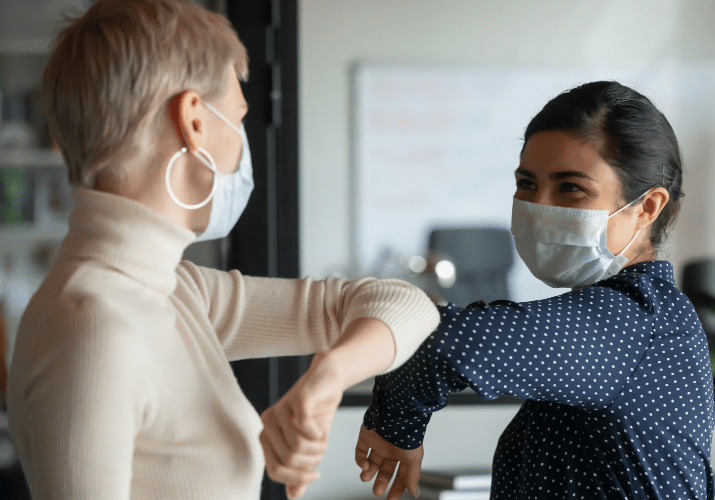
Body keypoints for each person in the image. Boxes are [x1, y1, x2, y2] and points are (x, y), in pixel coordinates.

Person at [5, 1, 440, 499]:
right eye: (238, 117)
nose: (241, 142)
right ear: (193, 120)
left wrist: (327, 376)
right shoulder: (93, 321)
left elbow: (407, 304)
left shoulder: (172, 289)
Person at [350, 81, 715, 500]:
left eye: (570, 187)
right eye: (527, 184)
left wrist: (397, 428)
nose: (540, 207)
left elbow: (442, 342)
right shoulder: (639, 322)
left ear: (647, 207)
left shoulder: (634, 320)